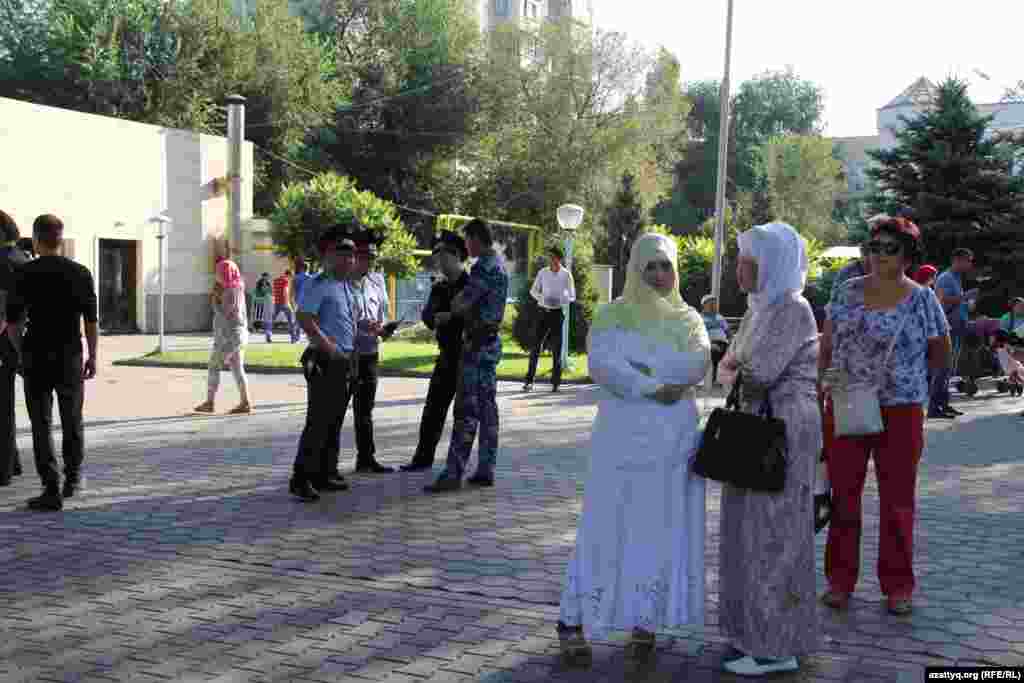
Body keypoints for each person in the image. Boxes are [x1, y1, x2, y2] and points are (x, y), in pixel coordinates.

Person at [555, 233, 709, 662]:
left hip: (673, 441)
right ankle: (572, 619)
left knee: (658, 530)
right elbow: (604, 366)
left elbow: (696, 363)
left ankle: (645, 619)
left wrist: (642, 366)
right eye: (650, 266)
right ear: (636, 269)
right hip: (622, 439)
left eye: (666, 266)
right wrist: (655, 383)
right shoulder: (612, 315)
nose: (659, 275)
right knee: (605, 525)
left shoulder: (689, 317)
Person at [820, 216, 951, 617]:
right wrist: (822, 387)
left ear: (908, 256)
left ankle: (897, 586)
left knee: (898, 502)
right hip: (846, 404)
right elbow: (826, 346)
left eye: (889, 248)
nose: (878, 255)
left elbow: (941, 352)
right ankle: (840, 582)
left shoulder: (922, 298)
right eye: (873, 247)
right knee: (844, 497)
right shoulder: (846, 291)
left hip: (901, 411)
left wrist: (907, 383)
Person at [714, 222, 821, 676]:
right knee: (748, 532)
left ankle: (777, 647)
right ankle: (752, 634)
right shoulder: (761, 308)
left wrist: (737, 365)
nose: (738, 271)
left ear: (772, 266)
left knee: (774, 535)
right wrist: (736, 366)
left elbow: (756, 372)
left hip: (782, 428)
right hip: (755, 425)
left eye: (748, 263)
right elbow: (731, 369)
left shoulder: (792, 309)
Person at [6, 214, 99, 511]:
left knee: (41, 424)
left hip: (36, 355)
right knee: (73, 420)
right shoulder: (81, 272)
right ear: (60, 239)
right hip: (70, 354)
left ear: (35, 239)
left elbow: (12, 324)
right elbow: (91, 321)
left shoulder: (23, 273)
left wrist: (20, 352)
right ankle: (72, 479)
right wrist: (92, 355)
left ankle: (50, 488)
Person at [424, 219, 509, 493]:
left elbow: (462, 303)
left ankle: (453, 473)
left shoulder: (485, 267)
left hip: (476, 347)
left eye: (468, 240)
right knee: (488, 410)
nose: (466, 247)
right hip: (489, 343)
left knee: (466, 412)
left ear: (476, 239)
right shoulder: (499, 264)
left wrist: (451, 309)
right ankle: (486, 468)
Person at [289, 230, 359, 501]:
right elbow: (305, 318)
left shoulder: (344, 285)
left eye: (352, 257)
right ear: (331, 258)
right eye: (345, 257)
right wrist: (329, 347)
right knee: (318, 421)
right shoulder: (319, 283)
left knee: (333, 421)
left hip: (344, 361)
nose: (350, 262)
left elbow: (344, 320)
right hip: (325, 360)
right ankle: (301, 477)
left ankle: (324, 473)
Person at [400, 231, 470, 472]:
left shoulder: (470, 285)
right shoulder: (439, 287)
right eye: (438, 256)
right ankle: (422, 459)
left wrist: (449, 317)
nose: (439, 261)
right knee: (433, 409)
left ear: (456, 256)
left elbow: (471, 318)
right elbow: (428, 317)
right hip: (446, 354)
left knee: (464, 414)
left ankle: (458, 465)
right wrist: (443, 317)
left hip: (467, 357)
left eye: (443, 256)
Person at [345, 236, 396, 473]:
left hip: (370, 352)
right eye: (365, 258)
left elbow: (381, 312)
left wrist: (383, 328)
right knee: (335, 411)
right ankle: (324, 465)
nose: (369, 263)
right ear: (355, 257)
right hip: (347, 354)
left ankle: (366, 458)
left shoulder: (376, 282)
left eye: (373, 258)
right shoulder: (343, 283)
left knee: (365, 409)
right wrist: (361, 325)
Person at [194, 259, 252, 415]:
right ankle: (245, 402)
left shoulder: (229, 291)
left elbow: (224, 314)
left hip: (228, 336)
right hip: (238, 335)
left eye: (218, 272)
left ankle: (210, 402)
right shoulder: (238, 287)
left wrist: (214, 301)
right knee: (237, 369)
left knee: (214, 366)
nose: (216, 275)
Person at [0, 210, 28, 486]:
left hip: (4, 341)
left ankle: (3, 469)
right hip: (22, 341)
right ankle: (13, 462)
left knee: (2, 406)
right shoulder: (23, 258)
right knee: (7, 405)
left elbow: (2, 308)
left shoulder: (2, 261)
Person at [523, 246, 575, 393]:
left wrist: (562, 300)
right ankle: (529, 381)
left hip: (557, 313)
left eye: (553, 257)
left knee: (557, 349)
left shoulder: (566, 275)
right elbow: (533, 291)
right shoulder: (543, 273)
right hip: (543, 313)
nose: (550, 260)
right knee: (535, 347)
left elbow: (572, 295)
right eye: (549, 257)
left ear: (559, 259)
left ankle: (556, 383)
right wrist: (543, 299)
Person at [931, 248, 974, 418]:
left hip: (957, 327)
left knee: (949, 369)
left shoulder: (956, 278)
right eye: (968, 260)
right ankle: (935, 408)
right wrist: (964, 297)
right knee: (943, 368)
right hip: (947, 328)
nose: (970, 264)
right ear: (958, 260)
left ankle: (944, 404)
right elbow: (940, 301)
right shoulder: (945, 278)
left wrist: (966, 304)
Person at [701, 294, 730, 384]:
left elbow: (728, 332)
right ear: (704, 306)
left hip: (723, 343)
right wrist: (710, 343)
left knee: (732, 355)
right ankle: (715, 380)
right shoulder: (700, 318)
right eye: (711, 304)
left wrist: (733, 343)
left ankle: (724, 381)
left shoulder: (720, 317)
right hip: (709, 343)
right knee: (716, 353)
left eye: (715, 304)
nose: (714, 306)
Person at [266, 269, 299, 343]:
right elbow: (285, 291)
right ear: (288, 275)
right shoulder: (285, 281)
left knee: (272, 319)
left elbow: (273, 291)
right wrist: (288, 302)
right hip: (284, 303)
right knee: (291, 320)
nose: (290, 279)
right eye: (290, 277)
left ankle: (268, 334)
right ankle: (293, 338)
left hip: (276, 302)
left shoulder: (275, 280)